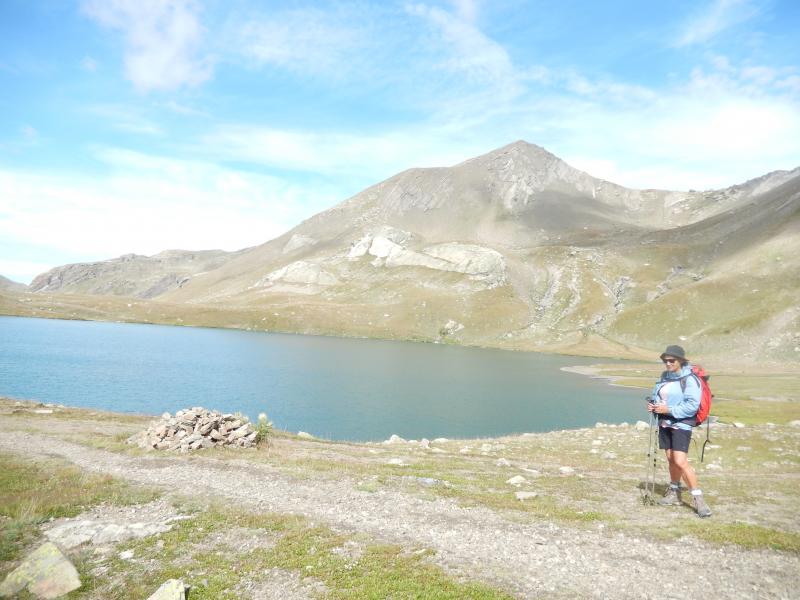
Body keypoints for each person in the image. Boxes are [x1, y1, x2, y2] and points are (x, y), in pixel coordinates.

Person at [647, 344, 712, 518]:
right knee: (671, 459)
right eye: (665, 360)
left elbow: (692, 406)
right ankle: (674, 492)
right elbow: (659, 396)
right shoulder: (665, 376)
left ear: (681, 361)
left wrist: (668, 410)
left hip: (681, 424)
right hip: (665, 423)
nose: (668, 363)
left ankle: (698, 499)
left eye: (672, 360)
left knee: (680, 461)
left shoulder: (690, 379)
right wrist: (653, 405)